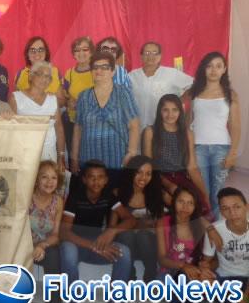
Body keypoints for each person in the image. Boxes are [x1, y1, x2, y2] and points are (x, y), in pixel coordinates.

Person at [60, 160, 136, 303]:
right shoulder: (76, 195)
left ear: (106, 180)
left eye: (100, 177)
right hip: (77, 244)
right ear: (84, 180)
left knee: (124, 252)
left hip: (97, 245)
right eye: (91, 178)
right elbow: (64, 232)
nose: (96, 182)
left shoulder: (108, 194)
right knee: (67, 250)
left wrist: (111, 232)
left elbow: (131, 220)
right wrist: (93, 245)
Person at [71, 52, 140, 189]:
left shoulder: (123, 93)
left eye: (104, 67)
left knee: (117, 202)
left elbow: (134, 126)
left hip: (118, 160)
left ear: (113, 71)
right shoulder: (84, 96)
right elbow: (78, 129)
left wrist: (131, 153)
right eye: (95, 67)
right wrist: (74, 157)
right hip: (90, 163)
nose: (99, 70)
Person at [185, 52, 241, 216]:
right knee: (202, 193)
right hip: (198, 148)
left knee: (217, 193)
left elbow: (236, 125)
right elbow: (187, 121)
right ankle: (204, 229)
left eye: (218, 66)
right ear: (204, 69)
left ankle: (217, 228)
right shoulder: (194, 92)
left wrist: (233, 153)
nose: (213, 70)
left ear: (224, 69)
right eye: (209, 66)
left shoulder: (231, 94)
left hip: (222, 149)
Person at [156, 186, 216, 303]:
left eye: (190, 203)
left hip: (193, 273)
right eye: (181, 201)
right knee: (179, 282)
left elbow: (214, 259)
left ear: (195, 206)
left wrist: (206, 266)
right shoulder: (163, 222)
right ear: (173, 202)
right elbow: (162, 259)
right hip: (168, 272)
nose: (185, 207)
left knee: (195, 280)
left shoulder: (199, 224)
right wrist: (183, 266)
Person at [142, 94, 209, 208]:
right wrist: (168, 185)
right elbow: (148, 167)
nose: (170, 114)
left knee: (198, 204)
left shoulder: (188, 134)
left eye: (174, 110)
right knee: (171, 204)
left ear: (180, 112)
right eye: (165, 110)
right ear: (159, 111)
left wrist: (205, 194)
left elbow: (192, 167)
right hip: (157, 178)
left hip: (180, 178)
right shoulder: (150, 131)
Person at [200, 187, 249, 303]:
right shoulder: (215, 230)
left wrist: (245, 300)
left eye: (237, 207)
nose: (232, 213)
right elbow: (206, 262)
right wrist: (204, 270)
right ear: (221, 211)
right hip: (226, 279)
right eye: (226, 209)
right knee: (203, 282)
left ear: (246, 207)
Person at [113, 155, 163, 282]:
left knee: (143, 235)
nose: (143, 178)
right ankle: (129, 275)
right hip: (126, 246)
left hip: (149, 247)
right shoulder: (118, 193)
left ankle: (151, 276)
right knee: (127, 235)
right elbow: (112, 226)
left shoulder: (157, 194)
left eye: (148, 174)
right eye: (139, 172)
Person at [28, 160, 64, 303]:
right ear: (36, 179)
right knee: (16, 258)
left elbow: (56, 235)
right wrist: (30, 246)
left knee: (54, 257)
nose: (49, 182)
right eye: (44, 177)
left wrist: (42, 245)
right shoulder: (27, 196)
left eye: (54, 178)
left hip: (45, 245)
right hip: (23, 243)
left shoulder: (58, 201)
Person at [9, 61, 66, 164]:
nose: (44, 79)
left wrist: (61, 155)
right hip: (24, 155)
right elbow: (10, 130)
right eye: (40, 74)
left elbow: (59, 128)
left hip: (49, 155)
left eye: (48, 76)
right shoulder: (16, 98)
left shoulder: (53, 99)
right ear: (31, 76)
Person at [129, 42, 193, 128]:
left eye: (155, 53)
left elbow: (194, 85)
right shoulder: (132, 76)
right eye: (147, 53)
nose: (151, 56)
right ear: (141, 56)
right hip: (137, 128)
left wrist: (178, 101)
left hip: (163, 128)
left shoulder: (171, 73)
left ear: (160, 56)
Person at [62, 36, 94, 159]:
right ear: (73, 54)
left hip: (92, 124)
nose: (81, 53)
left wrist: (80, 103)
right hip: (72, 123)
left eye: (85, 49)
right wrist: (68, 102)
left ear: (91, 51)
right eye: (77, 50)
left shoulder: (97, 71)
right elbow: (65, 96)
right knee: (74, 158)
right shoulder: (69, 73)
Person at [14, 36, 64, 106]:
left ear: (46, 52)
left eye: (41, 50)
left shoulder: (55, 72)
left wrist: (51, 99)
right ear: (27, 54)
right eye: (32, 50)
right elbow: (15, 101)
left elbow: (62, 103)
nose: (37, 54)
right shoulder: (20, 74)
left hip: (50, 115)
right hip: (27, 116)